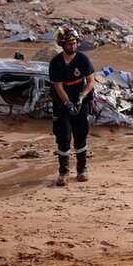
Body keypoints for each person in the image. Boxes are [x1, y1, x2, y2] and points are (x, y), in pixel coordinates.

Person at [48, 26, 95, 186]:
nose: (73, 46)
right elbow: (58, 87)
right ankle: (64, 172)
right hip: (62, 105)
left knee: (81, 135)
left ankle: (82, 169)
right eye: (69, 44)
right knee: (64, 138)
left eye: (75, 43)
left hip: (80, 102)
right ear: (62, 45)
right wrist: (67, 103)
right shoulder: (56, 63)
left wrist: (81, 97)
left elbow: (90, 81)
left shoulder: (83, 60)